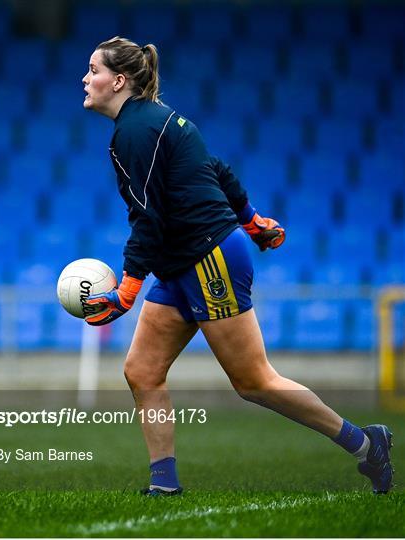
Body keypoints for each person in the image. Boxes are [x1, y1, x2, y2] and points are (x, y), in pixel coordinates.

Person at [81, 36, 393, 495]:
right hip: (183, 263)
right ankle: (163, 484)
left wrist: (127, 290)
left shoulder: (134, 132)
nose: (85, 79)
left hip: (208, 258)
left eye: (93, 70)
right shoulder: (163, 121)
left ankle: (366, 444)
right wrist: (253, 220)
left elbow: (148, 218)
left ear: (119, 80)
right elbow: (217, 169)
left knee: (254, 381)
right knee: (142, 371)